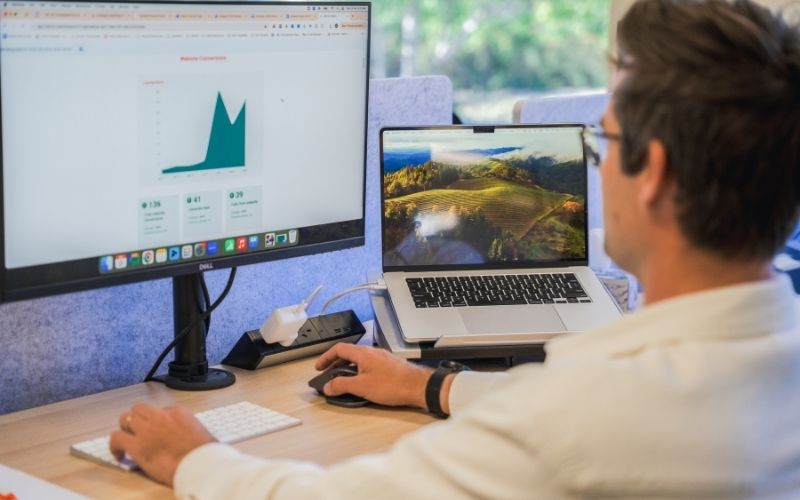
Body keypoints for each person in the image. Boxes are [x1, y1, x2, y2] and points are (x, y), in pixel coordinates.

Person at [111, 0, 800, 497]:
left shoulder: (586, 415)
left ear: (651, 173)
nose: (596, 163)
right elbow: (566, 411)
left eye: (607, 141)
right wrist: (431, 385)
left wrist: (196, 459)